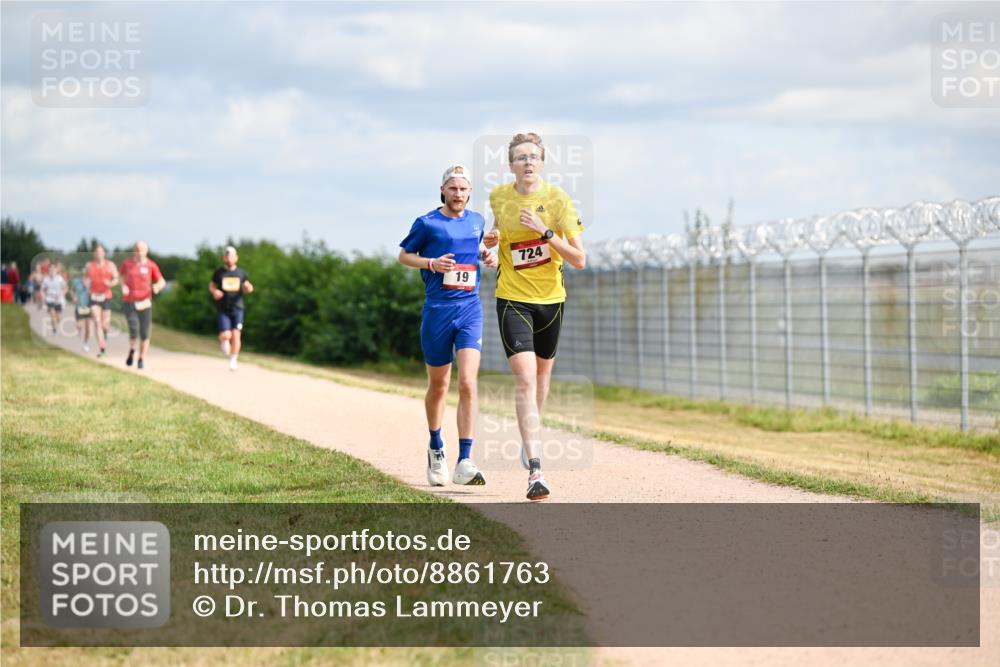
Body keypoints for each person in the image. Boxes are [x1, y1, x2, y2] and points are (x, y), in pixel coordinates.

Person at [484, 132, 587, 502]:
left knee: (542, 382)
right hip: (513, 297)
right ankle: (536, 468)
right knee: (525, 379)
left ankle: (530, 441)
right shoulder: (498, 197)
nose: (528, 162)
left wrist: (545, 233)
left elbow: (579, 259)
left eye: (534, 157)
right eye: (520, 157)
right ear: (510, 164)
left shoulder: (558, 200)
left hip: (551, 301)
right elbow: (495, 240)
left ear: (542, 163)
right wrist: (491, 253)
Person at [398, 164, 497, 487]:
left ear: (470, 192)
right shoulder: (427, 223)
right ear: (443, 190)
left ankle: (465, 459)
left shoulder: (476, 221)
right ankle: (436, 446)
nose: (459, 194)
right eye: (453, 189)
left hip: (469, 309)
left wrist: (487, 256)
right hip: (438, 311)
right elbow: (403, 255)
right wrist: (430, 263)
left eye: (464, 189)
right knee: (439, 385)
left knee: (468, 383)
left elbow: (478, 245)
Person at [119, 241, 165, 370]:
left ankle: (141, 358)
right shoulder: (127, 264)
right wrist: (123, 286)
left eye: (142, 249)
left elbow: (161, 280)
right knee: (133, 330)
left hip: (145, 302)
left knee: (145, 333)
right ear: (134, 250)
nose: (139, 252)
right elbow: (120, 277)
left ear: (146, 251)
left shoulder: (151, 265)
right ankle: (132, 350)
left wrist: (157, 286)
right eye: (137, 249)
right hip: (130, 301)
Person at [209, 246, 254, 371]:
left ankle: (233, 359)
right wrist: (215, 291)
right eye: (227, 256)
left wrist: (248, 287)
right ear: (224, 257)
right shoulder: (219, 273)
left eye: (232, 256)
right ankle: (223, 341)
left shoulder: (241, 273)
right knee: (226, 335)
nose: (229, 258)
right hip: (223, 308)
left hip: (238, 308)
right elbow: (212, 286)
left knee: (236, 335)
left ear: (236, 258)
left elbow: (248, 287)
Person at [86, 244, 119, 357]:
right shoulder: (89, 265)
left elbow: (116, 278)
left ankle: (105, 333)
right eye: (97, 252)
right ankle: (102, 348)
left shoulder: (110, 265)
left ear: (104, 253)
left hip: (106, 296)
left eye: (101, 252)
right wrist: (86, 284)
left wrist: (110, 283)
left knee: (105, 325)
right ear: (94, 254)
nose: (99, 254)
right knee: (97, 321)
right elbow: (85, 277)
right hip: (94, 296)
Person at [41, 263, 68, 334]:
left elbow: (66, 288)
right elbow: (42, 289)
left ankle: (55, 323)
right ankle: (54, 329)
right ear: (49, 270)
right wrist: (43, 296)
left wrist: (62, 294)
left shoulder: (60, 278)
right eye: (50, 269)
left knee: (58, 317)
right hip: (49, 299)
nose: (52, 270)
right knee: (52, 315)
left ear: (56, 270)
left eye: (53, 269)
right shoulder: (46, 279)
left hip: (59, 300)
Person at [70, 269, 92, 351]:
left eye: (86, 274)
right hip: (79, 306)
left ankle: (85, 343)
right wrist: (74, 296)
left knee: (88, 328)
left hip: (89, 306)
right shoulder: (76, 281)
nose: (84, 275)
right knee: (79, 325)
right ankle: (79, 330)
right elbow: (72, 290)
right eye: (83, 274)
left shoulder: (92, 282)